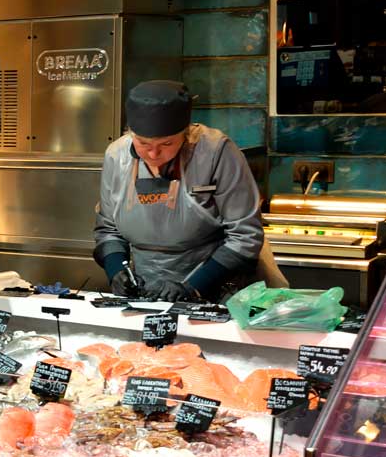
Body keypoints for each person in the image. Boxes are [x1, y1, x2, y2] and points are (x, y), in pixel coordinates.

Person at [93, 80, 282, 303]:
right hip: (146, 293)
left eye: (166, 144)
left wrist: (194, 287)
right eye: (143, 144)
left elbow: (245, 236)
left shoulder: (216, 152)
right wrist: (116, 270)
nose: (153, 154)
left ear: (185, 133)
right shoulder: (117, 155)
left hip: (217, 291)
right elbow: (108, 229)